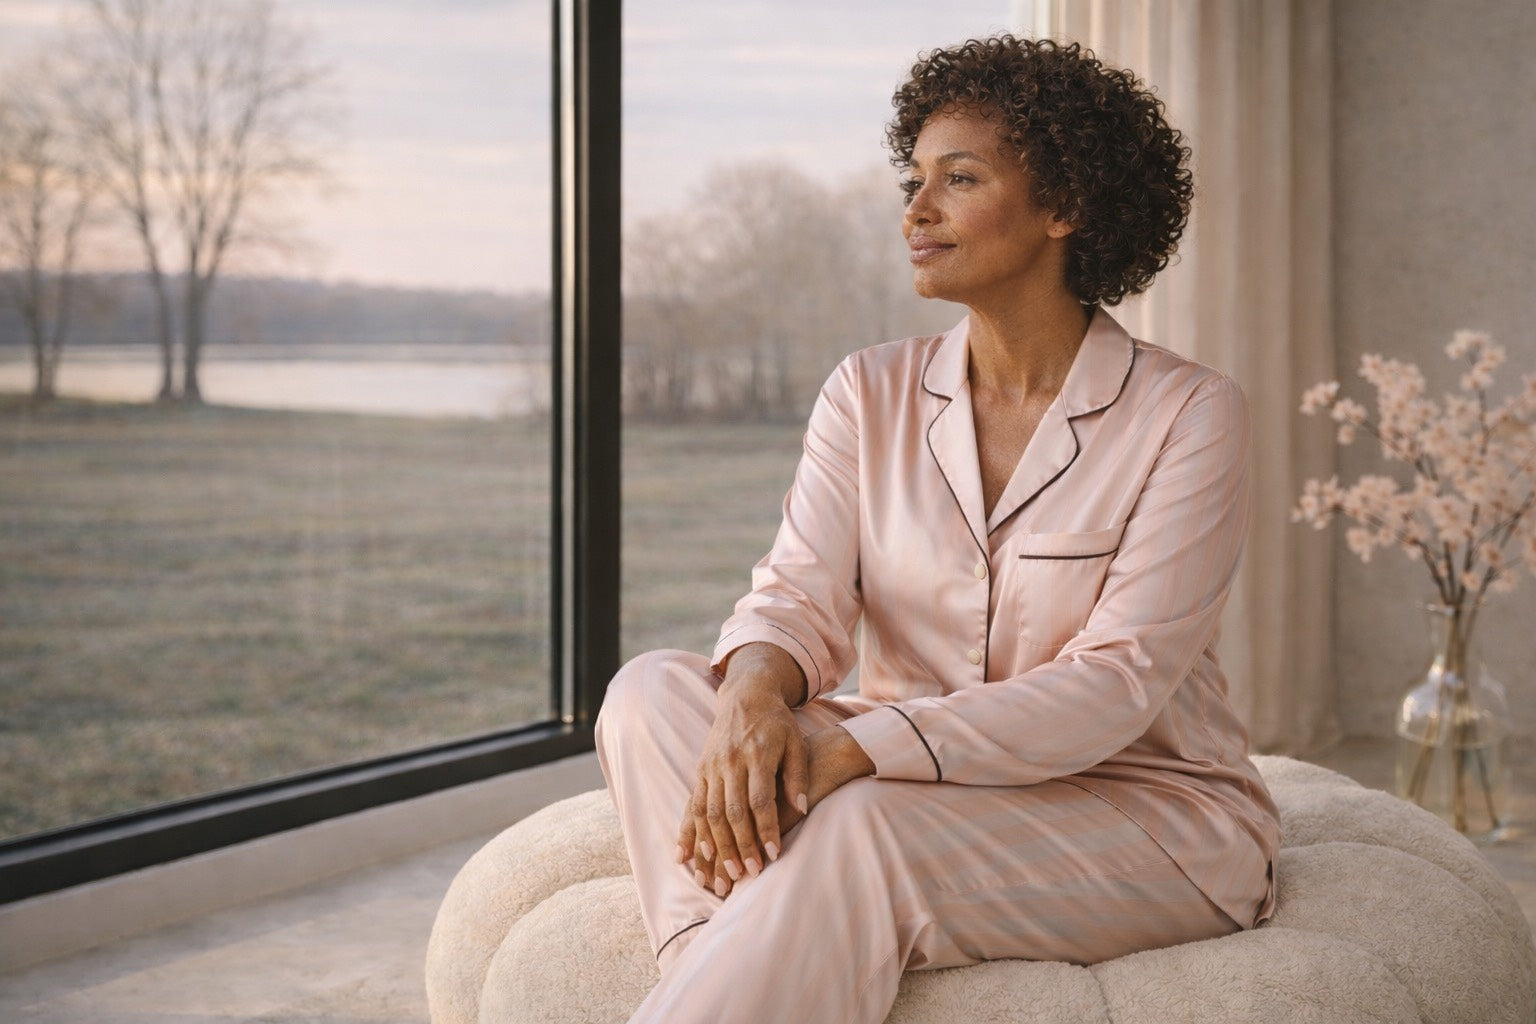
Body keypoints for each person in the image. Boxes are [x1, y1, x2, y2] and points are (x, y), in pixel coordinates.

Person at [595, 34, 1281, 1024]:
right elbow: (796, 594)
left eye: (958, 179)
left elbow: (1115, 684)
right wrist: (752, 694)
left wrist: (854, 754)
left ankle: (720, 977)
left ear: (1065, 207)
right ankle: (735, 969)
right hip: (912, 777)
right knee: (652, 692)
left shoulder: (1190, 413)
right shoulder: (866, 390)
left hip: (1141, 811)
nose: (915, 210)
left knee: (860, 827)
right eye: (913, 180)